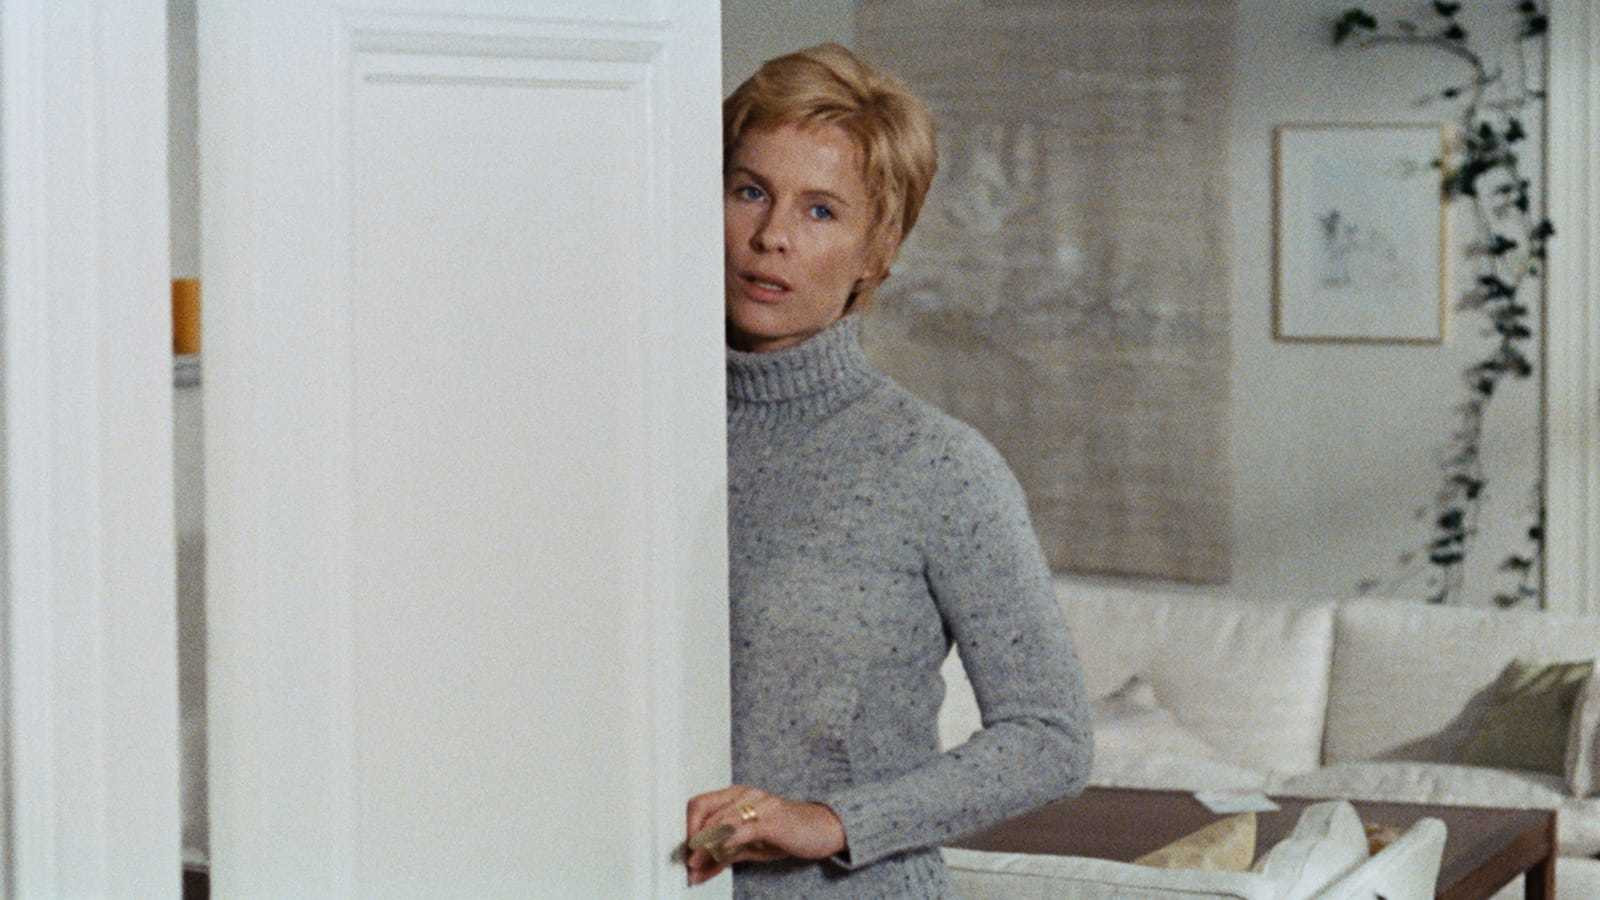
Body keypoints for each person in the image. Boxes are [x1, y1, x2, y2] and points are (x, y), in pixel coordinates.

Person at [685, 43, 1093, 897]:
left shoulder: (937, 466)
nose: (771, 236)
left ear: (877, 251)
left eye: (821, 210)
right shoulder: (635, 439)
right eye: (749, 191)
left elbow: (1051, 738)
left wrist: (831, 820)